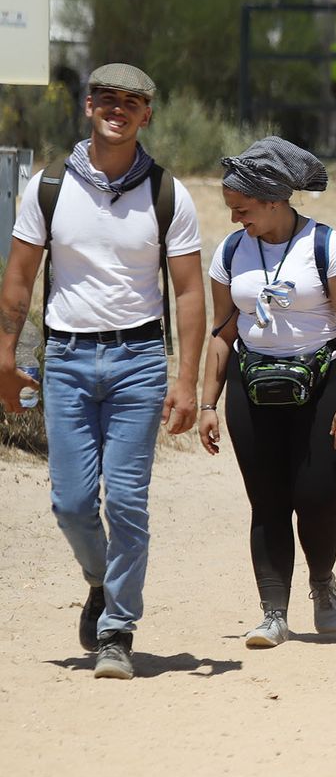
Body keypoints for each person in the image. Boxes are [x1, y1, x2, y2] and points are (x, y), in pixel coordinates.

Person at [0, 63, 204, 680]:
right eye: (108, 99)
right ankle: (99, 579)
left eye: (133, 101)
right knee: (70, 502)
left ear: (147, 114)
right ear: (89, 106)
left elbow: (191, 294)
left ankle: (118, 628)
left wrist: (187, 380)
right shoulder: (48, 188)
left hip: (138, 361)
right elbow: (18, 281)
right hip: (64, 359)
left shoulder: (169, 194)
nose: (118, 109)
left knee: (130, 504)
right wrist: (5, 359)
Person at [196, 137, 336, 648]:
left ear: (274, 199)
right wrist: (208, 403)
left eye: (242, 209)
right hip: (253, 390)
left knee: (315, 498)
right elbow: (222, 332)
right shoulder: (230, 252)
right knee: (267, 502)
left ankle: (322, 581)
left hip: (322, 386)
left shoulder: (326, 247)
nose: (234, 220)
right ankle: (273, 612)